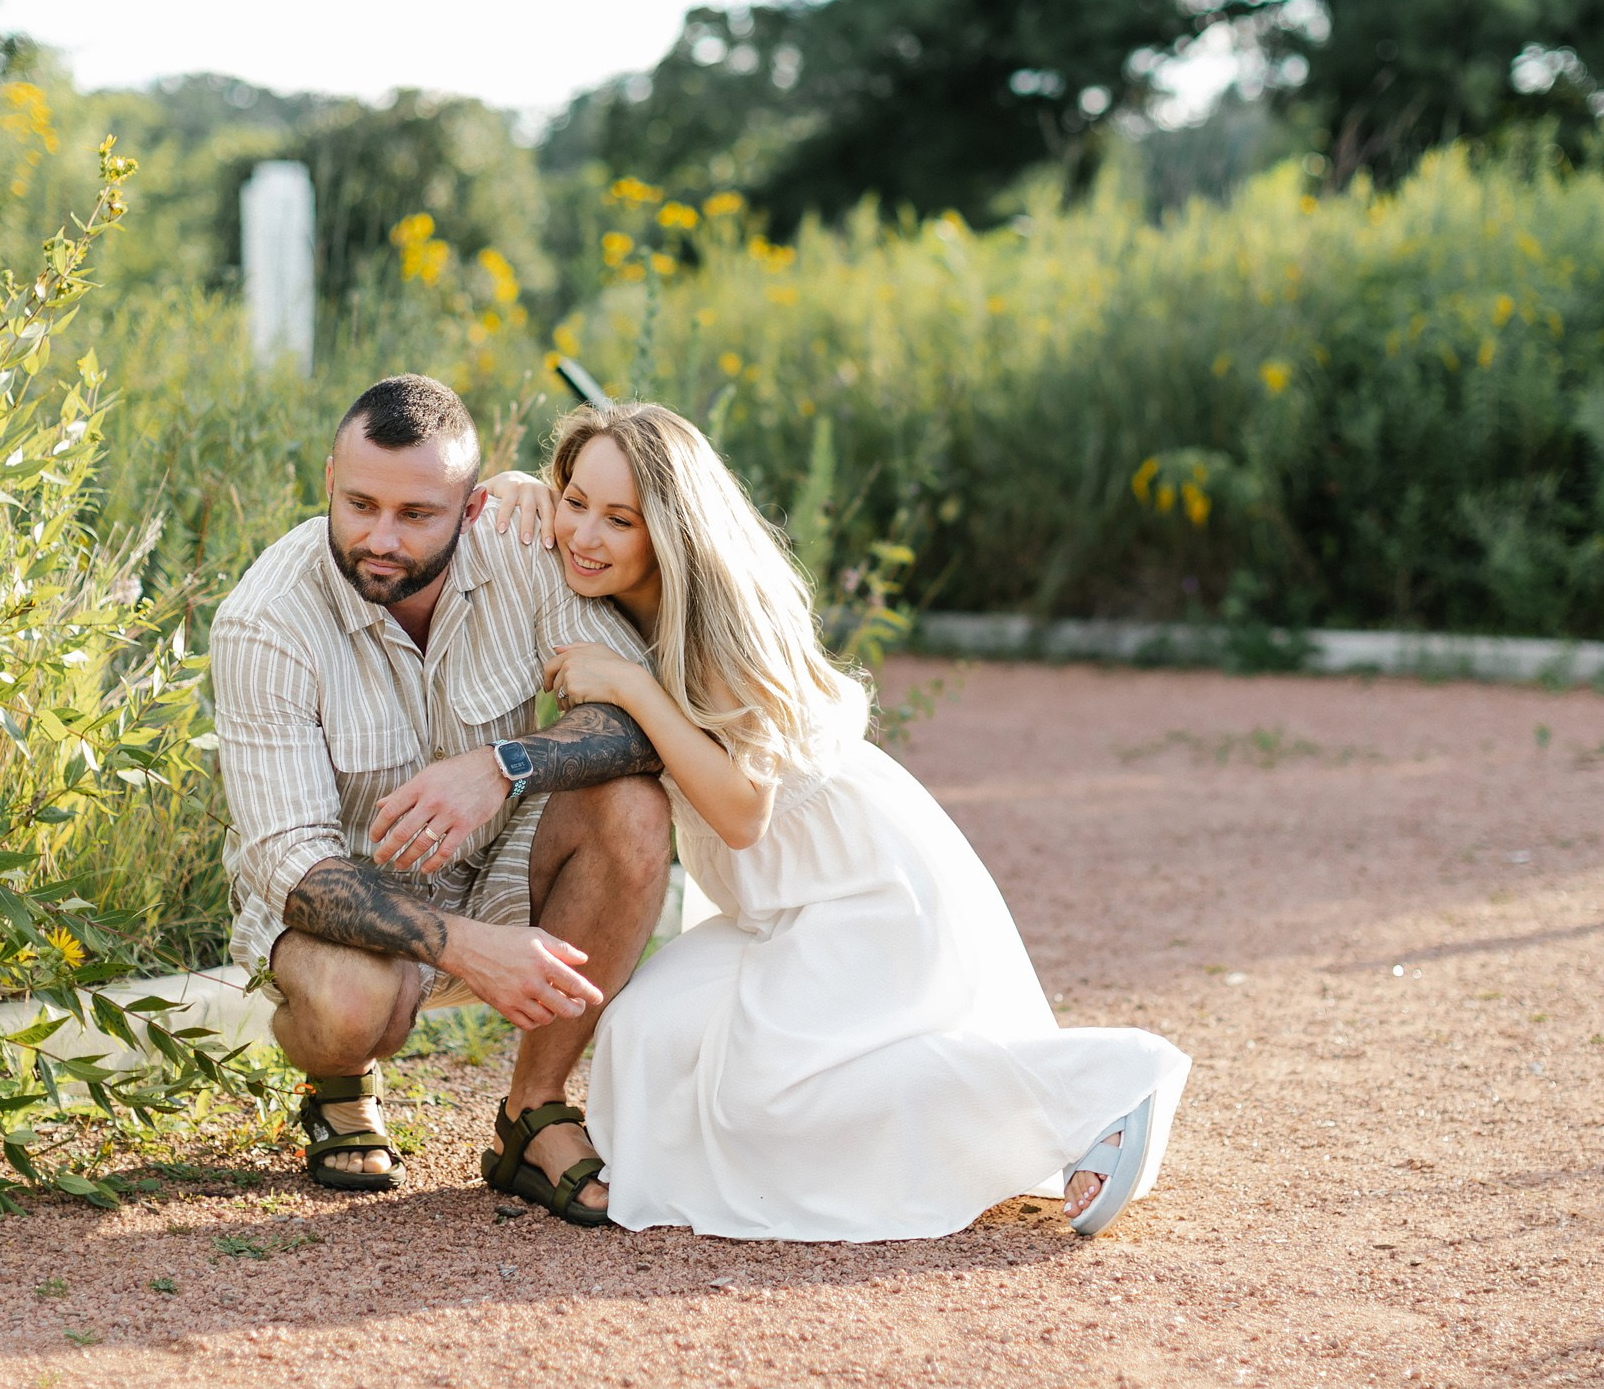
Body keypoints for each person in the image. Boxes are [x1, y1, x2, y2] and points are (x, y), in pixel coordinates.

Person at [481, 402, 1190, 1242]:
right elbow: (531, 522)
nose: (582, 535)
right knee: (643, 1037)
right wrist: (522, 487)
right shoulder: (614, 588)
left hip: (865, 893)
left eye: (618, 518)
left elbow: (743, 815)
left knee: (766, 1090)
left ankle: (1100, 1084)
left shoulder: (721, 619)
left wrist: (632, 689)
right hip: (775, 909)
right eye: (574, 500)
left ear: (669, 530)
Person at [210, 374, 668, 1224]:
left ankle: (533, 1111)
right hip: (343, 905)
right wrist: (467, 948)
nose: (380, 537)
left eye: (417, 514)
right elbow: (294, 867)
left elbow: (635, 720)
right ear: (328, 482)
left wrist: (501, 763)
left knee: (635, 804)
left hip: (497, 857)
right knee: (355, 1006)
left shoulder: (521, 545)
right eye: (359, 504)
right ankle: (339, 1081)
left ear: (472, 504)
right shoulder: (264, 621)